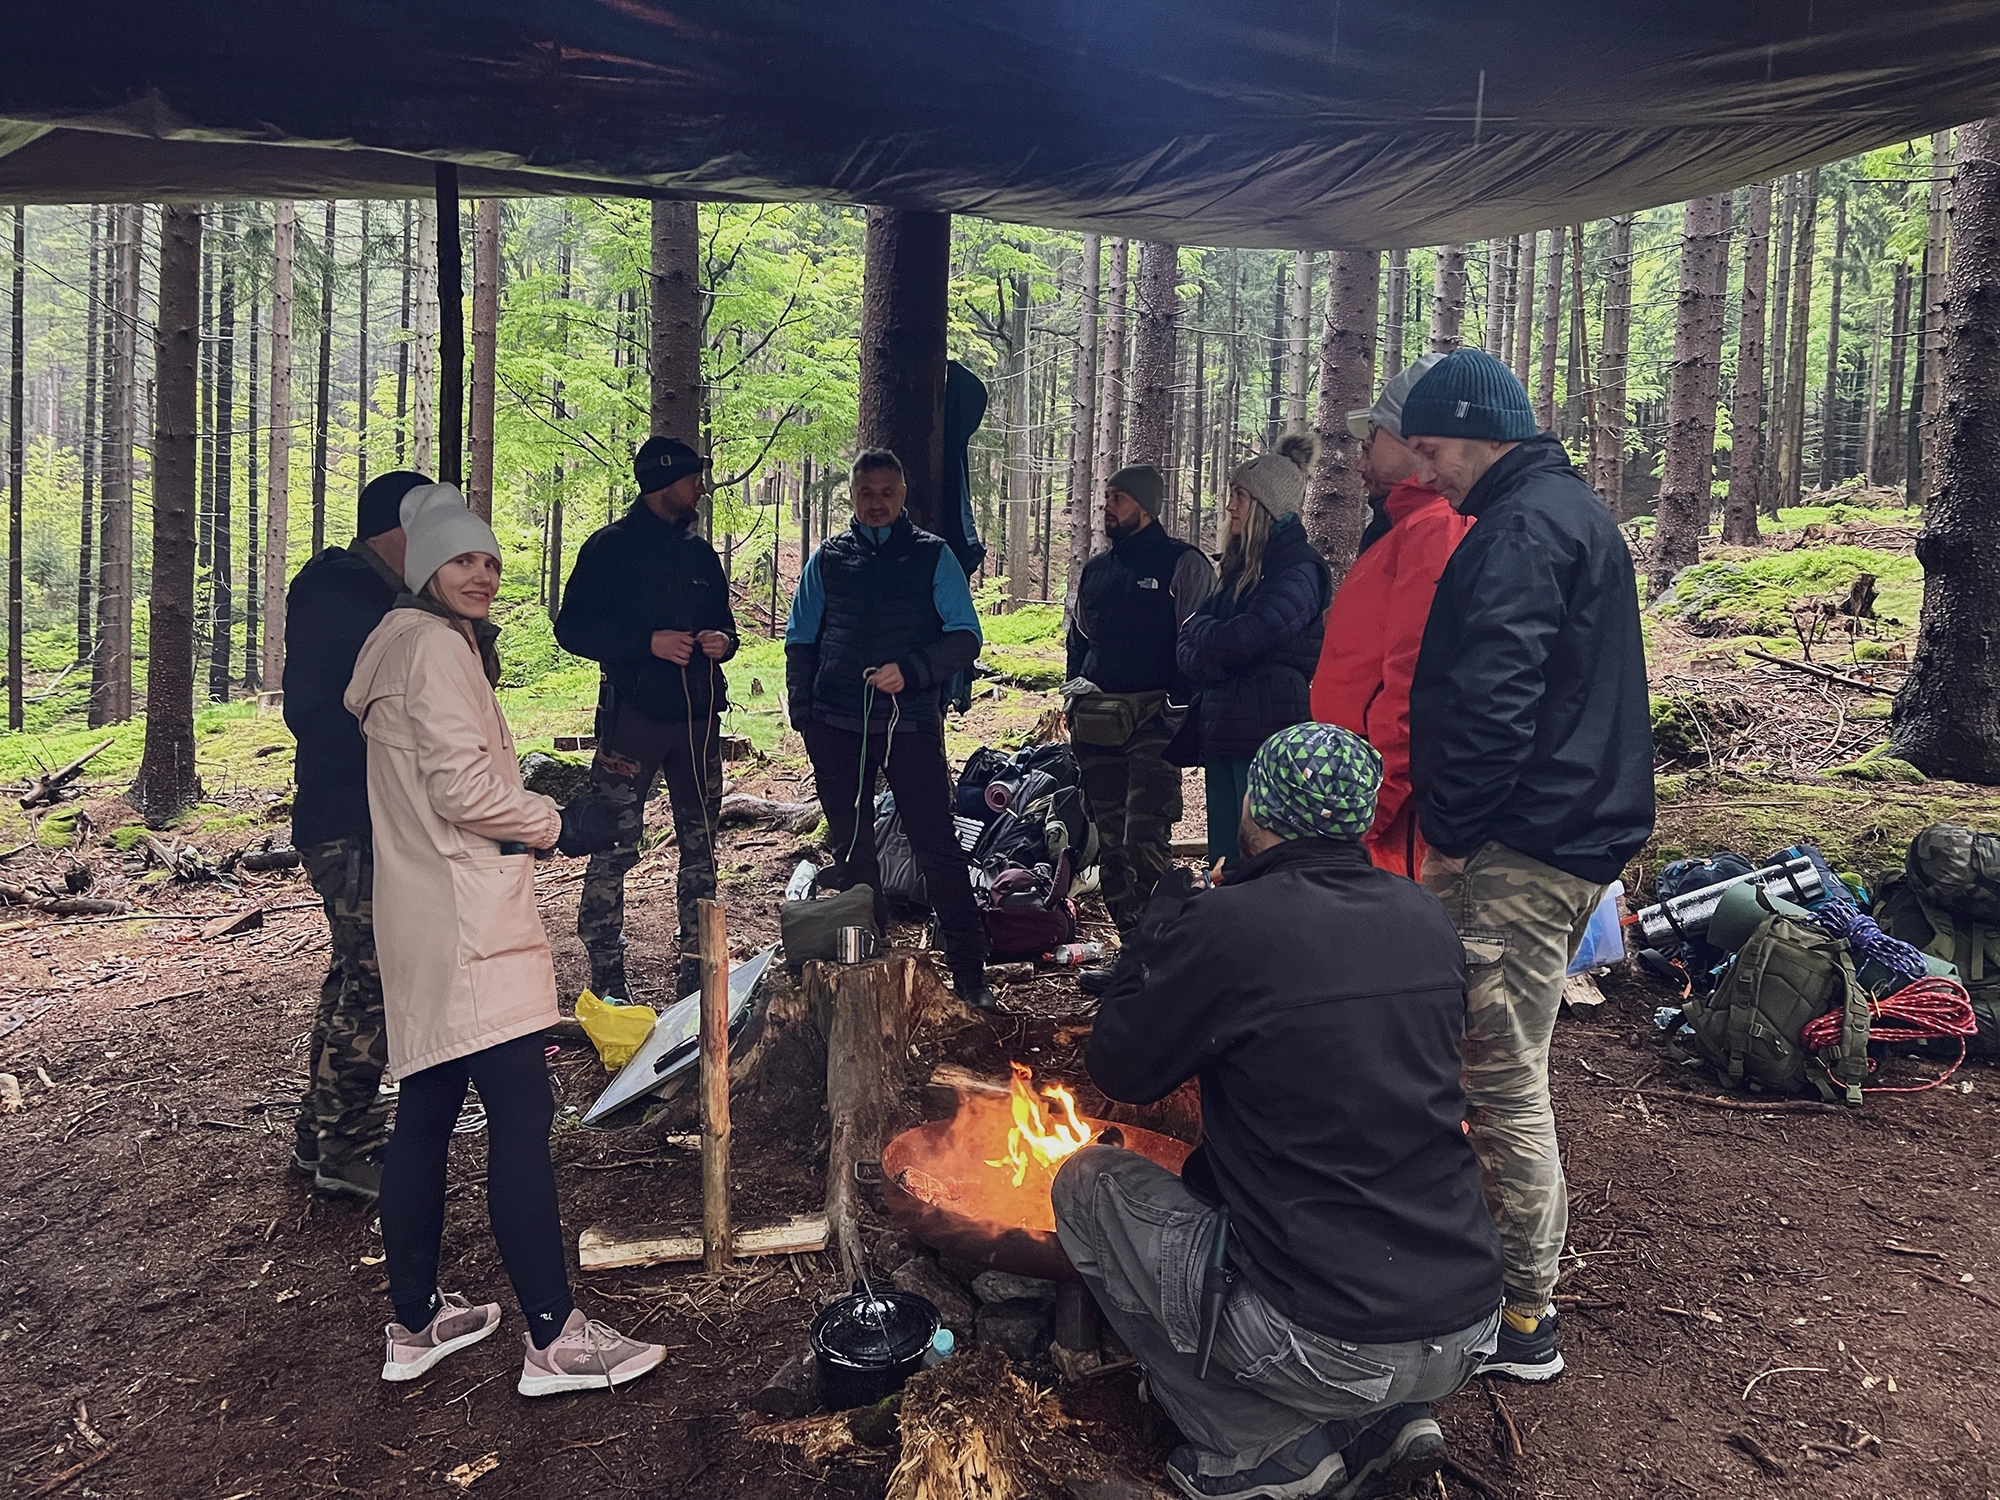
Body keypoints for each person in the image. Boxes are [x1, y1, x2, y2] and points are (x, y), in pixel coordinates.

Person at [1054, 722, 1501, 1500]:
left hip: (1331, 1341)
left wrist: (1156, 936)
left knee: (1085, 1185)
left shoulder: (1230, 924)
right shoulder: (1422, 915)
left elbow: (1120, 1069)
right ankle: (1385, 1421)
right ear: (1360, 817)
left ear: (1256, 807)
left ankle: (1258, 1450)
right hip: (1467, 1320)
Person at [347, 483, 662, 1396]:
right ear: (424, 567)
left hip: (421, 910)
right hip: (467, 917)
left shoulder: (393, 644)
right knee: (521, 1113)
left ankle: (415, 1324)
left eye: (489, 560)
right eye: (462, 559)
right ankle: (556, 1340)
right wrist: (561, 822)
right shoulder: (437, 648)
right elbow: (462, 791)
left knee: (429, 1106)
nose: (482, 574)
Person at [1400, 348, 1655, 1383]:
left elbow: (1495, 695)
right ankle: (1491, 1278)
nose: (1426, 472)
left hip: (1518, 843)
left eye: (1431, 449)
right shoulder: (1561, 512)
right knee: (1491, 1064)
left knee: (1496, 1075)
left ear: (1478, 430)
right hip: (1554, 830)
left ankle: (1519, 1317)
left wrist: (1455, 829)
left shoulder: (1523, 528)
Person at [785, 450, 993, 1008]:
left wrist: (914, 671)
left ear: (902, 495)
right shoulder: (828, 559)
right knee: (853, 848)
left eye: (886, 493)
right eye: (866, 493)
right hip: (835, 724)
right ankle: (866, 965)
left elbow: (965, 637)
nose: (876, 503)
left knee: (935, 844)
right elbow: (800, 640)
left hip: (910, 722)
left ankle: (969, 973)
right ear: (852, 495)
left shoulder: (934, 556)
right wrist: (804, 715)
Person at [280, 468, 431, 1202]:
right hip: (352, 823)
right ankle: (347, 1146)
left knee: (354, 975)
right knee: (376, 980)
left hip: (362, 819)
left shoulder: (374, 595)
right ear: (396, 532)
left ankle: (320, 1135)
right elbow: (325, 714)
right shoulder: (342, 595)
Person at [554, 435, 739, 1001]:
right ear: (664, 482)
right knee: (613, 844)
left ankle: (697, 973)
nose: (701, 489)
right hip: (632, 722)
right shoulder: (609, 549)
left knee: (701, 847)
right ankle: (607, 976)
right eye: (693, 479)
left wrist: (722, 642)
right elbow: (572, 629)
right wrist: (646, 643)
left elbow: (726, 627)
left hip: (699, 724)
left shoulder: (700, 555)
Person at [1310, 354, 1471, 878]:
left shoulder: (1434, 529)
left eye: (1369, 443)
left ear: (1413, 442)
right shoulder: (1406, 527)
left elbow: (1413, 682)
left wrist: (1368, 811)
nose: (1359, 464)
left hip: (1390, 818)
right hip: (1362, 793)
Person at [1065, 464, 1214, 992]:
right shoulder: (1096, 570)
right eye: (1106, 496)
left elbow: (1197, 643)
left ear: (1146, 506)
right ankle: (1132, 954)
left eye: (1119, 498)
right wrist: (1074, 694)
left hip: (1155, 724)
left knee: (1144, 838)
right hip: (1097, 725)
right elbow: (1079, 640)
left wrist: (1176, 708)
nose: (1107, 506)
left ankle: (1164, 960)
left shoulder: (1184, 564)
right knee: (1109, 844)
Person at [1177, 433, 1332, 869]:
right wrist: (1212, 645)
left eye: (1240, 496)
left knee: (1260, 855)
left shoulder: (1299, 569)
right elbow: (1188, 643)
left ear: (1266, 505)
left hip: (1269, 736)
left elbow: (1248, 637)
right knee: (1224, 858)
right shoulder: (1237, 568)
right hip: (1222, 728)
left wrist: (1206, 638)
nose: (1230, 506)